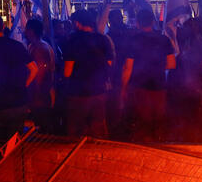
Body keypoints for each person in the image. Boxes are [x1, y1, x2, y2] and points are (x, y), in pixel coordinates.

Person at [0, 12, 39, 138]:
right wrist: (25, 85)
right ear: (3, 26)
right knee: (15, 142)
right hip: (18, 103)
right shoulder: (18, 46)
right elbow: (34, 69)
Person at [120, 9, 175, 142]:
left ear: (138, 23)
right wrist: (157, 68)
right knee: (158, 122)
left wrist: (123, 88)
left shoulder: (133, 40)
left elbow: (128, 68)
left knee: (142, 123)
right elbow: (171, 64)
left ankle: (143, 149)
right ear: (153, 22)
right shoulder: (164, 40)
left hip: (139, 88)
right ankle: (159, 146)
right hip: (159, 87)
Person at [62, 9, 115, 137]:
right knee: (98, 130)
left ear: (77, 23)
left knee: (77, 130)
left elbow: (67, 71)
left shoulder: (72, 41)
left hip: (77, 94)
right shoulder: (103, 39)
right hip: (98, 92)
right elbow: (109, 64)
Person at [24, 18, 56, 131]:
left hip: (40, 98)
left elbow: (39, 75)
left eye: (26, 29)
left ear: (31, 31)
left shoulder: (40, 48)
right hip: (41, 96)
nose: (24, 32)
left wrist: (33, 97)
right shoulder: (36, 46)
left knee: (41, 129)